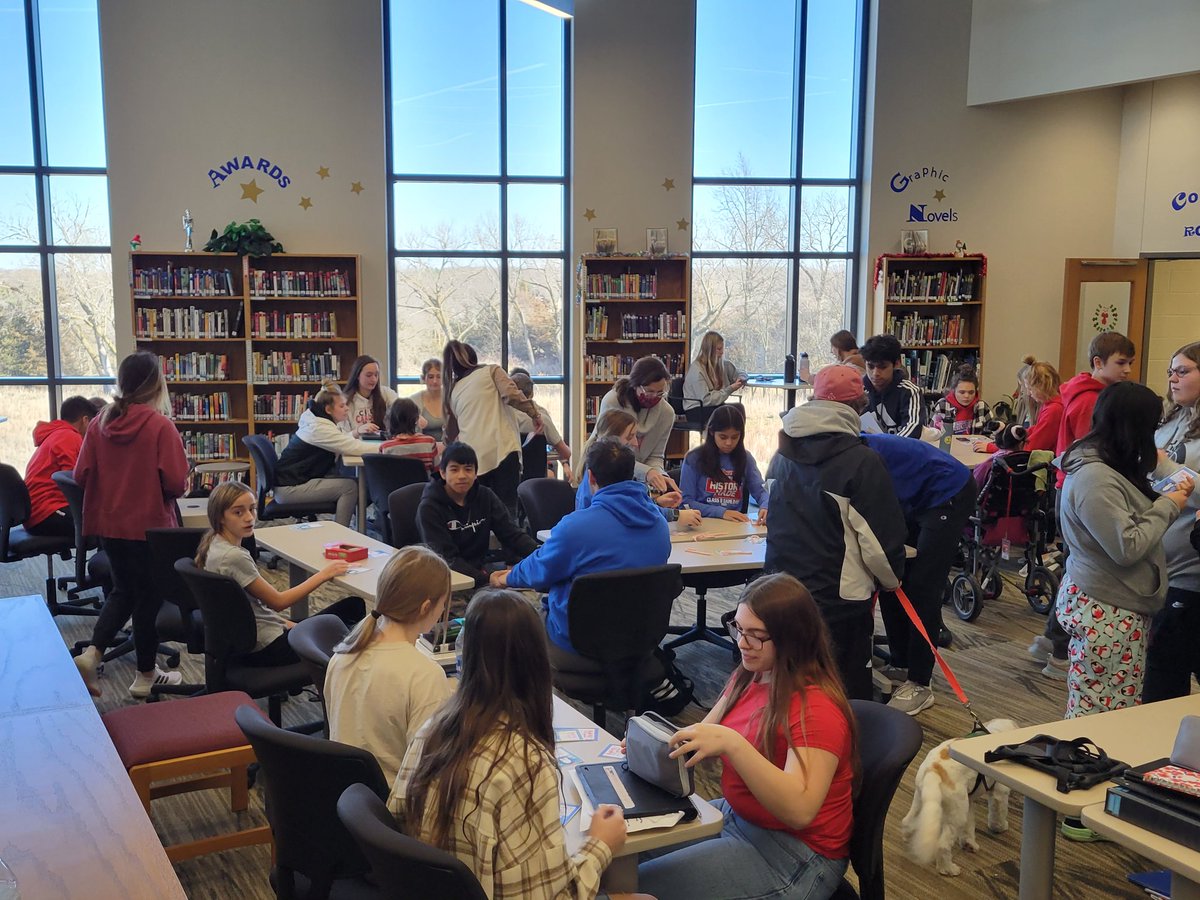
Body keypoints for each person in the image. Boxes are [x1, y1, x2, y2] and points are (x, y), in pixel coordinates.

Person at [391, 589, 636, 900]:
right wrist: (600, 845)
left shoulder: (433, 728)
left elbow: (396, 819)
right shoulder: (526, 763)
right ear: (536, 661)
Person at [637, 574, 857, 900]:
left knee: (635, 885)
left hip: (792, 853)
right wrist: (651, 746)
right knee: (622, 858)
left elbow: (800, 810)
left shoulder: (816, 709)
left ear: (793, 639)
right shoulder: (752, 673)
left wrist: (733, 744)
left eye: (756, 636)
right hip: (737, 815)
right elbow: (703, 737)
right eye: (738, 628)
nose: (741, 642)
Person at [765, 364, 907, 700]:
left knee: (789, 683)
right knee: (843, 691)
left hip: (780, 589)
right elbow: (879, 544)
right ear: (859, 406)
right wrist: (892, 580)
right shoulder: (862, 462)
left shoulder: (781, 454)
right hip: (839, 599)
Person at [1056, 382, 1191, 720]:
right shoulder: (1094, 477)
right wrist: (1169, 506)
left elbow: (1122, 513)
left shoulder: (1105, 466)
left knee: (1113, 706)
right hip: (1106, 609)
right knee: (1104, 715)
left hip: (1114, 604)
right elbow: (1126, 547)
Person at [73, 351, 190, 699]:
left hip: (110, 526)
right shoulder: (160, 426)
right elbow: (176, 484)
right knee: (148, 599)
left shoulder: (100, 423)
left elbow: (81, 474)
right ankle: (144, 675)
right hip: (151, 527)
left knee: (124, 591)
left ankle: (94, 653)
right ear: (156, 384)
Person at [492, 438, 671, 657]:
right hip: (640, 635)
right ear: (631, 474)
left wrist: (506, 578)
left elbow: (540, 570)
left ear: (591, 476)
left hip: (577, 638)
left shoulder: (576, 527)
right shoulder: (659, 525)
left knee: (512, 615)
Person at [861, 431, 975, 715]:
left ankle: (920, 683)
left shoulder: (860, 457)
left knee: (924, 586)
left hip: (947, 492)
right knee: (892, 573)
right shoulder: (840, 452)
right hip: (913, 495)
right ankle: (900, 662)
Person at [196, 481, 365, 666]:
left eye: (252, 509)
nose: (249, 518)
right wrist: (324, 574)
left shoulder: (213, 542)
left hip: (252, 636)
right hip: (268, 647)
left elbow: (255, 608)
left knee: (350, 609)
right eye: (238, 512)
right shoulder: (234, 557)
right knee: (354, 611)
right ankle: (341, 675)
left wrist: (287, 624)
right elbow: (278, 602)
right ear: (220, 517)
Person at [324, 545, 453, 787]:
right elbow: (430, 770)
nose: (443, 610)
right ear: (426, 607)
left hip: (347, 798)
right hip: (393, 810)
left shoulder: (343, 655)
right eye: (443, 603)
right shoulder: (424, 675)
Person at [1145, 342, 1200, 703]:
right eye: (1170, 371)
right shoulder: (1171, 416)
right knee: (1163, 670)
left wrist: (1166, 466)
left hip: (1190, 572)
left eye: (1183, 371)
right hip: (1156, 563)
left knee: (1164, 677)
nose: (1173, 378)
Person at [417, 441, 538, 588]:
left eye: (468, 469)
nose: (462, 476)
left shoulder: (485, 496)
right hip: (446, 580)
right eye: (454, 470)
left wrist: (541, 554)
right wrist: (486, 580)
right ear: (442, 473)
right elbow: (447, 559)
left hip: (480, 574)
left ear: (476, 473)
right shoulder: (429, 507)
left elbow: (511, 534)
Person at [442, 340, 540, 518]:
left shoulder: (452, 390)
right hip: (502, 451)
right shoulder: (491, 371)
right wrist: (535, 414)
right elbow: (511, 395)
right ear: (474, 359)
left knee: (478, 516)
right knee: (507, 513)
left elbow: (450, 431)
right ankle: (510, 546)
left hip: (473, 460)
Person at [274, 381, 378, 527]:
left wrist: (355, 432)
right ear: (328, 409)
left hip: (293, 481)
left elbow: (339, 441)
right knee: (350, 487)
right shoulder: (319, 428)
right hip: (290, 489)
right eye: (342, 406)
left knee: (354, 481)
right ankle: (341, 534)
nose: (347, 408)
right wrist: (388, 448)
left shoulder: (317, 420)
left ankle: (355, 527)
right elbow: (352, 447)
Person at [574, 408, 700, 526]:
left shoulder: (604, 471)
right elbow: (628, 511)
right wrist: (675, 515)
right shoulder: (605, 477)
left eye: (636, 436)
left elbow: (631, 507)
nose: (635, 442)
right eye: (629, 437)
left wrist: (656, 503)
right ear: (610, 441)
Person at [1055, 331, 1136, 491]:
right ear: (1098, 363)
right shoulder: (1089, 400)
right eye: (1121, 363)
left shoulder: (1102, 394)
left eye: (1130, 363)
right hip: (1080, 481)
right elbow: (1089, 449)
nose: (1128, 370)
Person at [23, 395, 102, 538]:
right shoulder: (70, 437)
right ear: (85, 421)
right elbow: (75, 483)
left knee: (105, 521)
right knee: (108, 525)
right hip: (48, 513)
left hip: (37, 513)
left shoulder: (55, 435)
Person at [598, 355, 677, 490]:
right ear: (635, 385)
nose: (654, 397)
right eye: (649, 391)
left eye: (660, 393)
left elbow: (656, 456)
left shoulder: (667, 414)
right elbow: (608, 455)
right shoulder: (613, 402)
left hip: (639, 484)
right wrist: (647, 472)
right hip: (607, 479)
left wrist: (659, 475)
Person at [680, 404, 768, 523]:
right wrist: (721, 512)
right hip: (701, 522)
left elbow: (760, 490)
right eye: (723, 437)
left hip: (734, 525)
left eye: (735, 437)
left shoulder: (746, 458)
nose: (728, 443)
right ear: (711, 432)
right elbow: (685, 503)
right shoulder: (694, 458)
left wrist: (765, 505)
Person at [973, 358, 1062, 454]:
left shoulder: (1053, 410)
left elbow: (1031, 447)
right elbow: (1033, 431)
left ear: (1041, 386)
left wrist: (998, 448)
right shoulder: (1050, 406)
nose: (1028, 393)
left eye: (1030, 389)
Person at [509, 369, 573, 482]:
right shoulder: (542, 419)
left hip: (507, 480)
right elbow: (566, 453)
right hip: (535, 481)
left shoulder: (500, 417)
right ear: (532, 394)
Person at [860, 334, 925, 439]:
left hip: (899, 452)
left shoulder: (910, 391)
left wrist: (885, 447)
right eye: (870, 366)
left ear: (897, 364)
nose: (875, 373)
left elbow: (913, 430)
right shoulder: (858, 390)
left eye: (882, 367)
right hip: (866, 451)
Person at [682, 330, 747, 418]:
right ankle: (723, 432)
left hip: (714, 405)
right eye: (719, 349)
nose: (722, 352)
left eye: (722, 348)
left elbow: (740, 372)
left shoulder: (722, 364)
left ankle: (736, 432)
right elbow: (706, 400)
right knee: (725, 413)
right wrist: (729, 389)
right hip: (697, 408)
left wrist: (741, 378)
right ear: (709, 350)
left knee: (739, 408)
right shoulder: (697, 370)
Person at [343, 354, 398, 437]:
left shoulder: (385, 393)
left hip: (381, 445)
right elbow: (342, 437)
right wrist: (358, 431)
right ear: (357, 376)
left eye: (376, 375)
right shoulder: (346, 400)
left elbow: (400, 407)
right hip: (358, 446)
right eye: (369, 375)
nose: (374, 379)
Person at [380, 397, 439, 472]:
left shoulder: (386, 447)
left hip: (397, 484)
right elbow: (437, 472)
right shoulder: (429, 442)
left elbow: (383, 474)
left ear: (391, 420)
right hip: (423, 483)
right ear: (416, 419)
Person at [931, 366, 991, 436]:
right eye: (962, 392)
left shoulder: (982, 407)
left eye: (971, 392)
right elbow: (932, 434)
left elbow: (991, 436)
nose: (967, 396)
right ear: (954, 391)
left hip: (975, 446)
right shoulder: (942, 406)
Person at [409, 358, 445, 442]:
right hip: (423, 448)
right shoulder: (413, 401)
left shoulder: (451, 398)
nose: (435, 381)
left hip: (448, 449)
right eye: (431, 377)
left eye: (439, 377)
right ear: (423, 378)